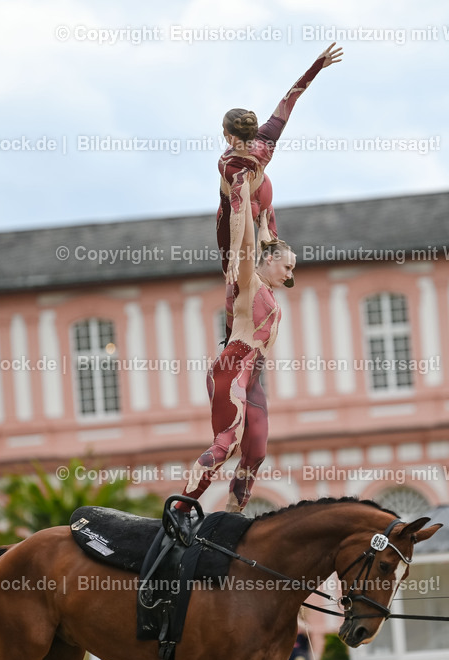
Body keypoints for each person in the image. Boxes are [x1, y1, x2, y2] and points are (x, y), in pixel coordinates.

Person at [216, 43, 343, 339]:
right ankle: (274, 258)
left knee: (233, 277)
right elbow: (291, 97)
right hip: (263, 197)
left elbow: (236, 213)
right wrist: (317, 65)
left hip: (247, 202)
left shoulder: (231, 165)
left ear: (229, 136)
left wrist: (233, 257)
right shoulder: (266, 138)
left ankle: (232, 330)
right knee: (261, 246)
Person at [176, 235, 296, 513]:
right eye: (287, 268)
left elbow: (267, 225)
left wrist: (265, 217)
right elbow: (245, 244)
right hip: (231, 371)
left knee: (256, 453)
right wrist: (240, 194)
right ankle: (178, 511)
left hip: (252, 379)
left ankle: (231, 517)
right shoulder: (249, 281)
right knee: (226, 444)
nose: (290, 276)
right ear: (269, 259)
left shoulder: (268, 291)